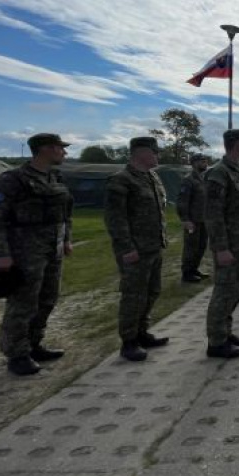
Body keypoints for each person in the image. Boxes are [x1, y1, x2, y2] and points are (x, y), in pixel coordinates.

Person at [0, 133, 73, 376]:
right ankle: (17, 354)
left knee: (48, 298)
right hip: (25, 251)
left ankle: (34, 344)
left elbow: (64, 213)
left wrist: (67, 239)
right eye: (60, 148)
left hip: (52, 248)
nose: (64, 152)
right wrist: (0, 253)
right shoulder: (12, 180)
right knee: (23, 302)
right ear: (45, 149)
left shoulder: (55, 177)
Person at [104, 137, 169, 362]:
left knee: (152, 291)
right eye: (154, 152)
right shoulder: (121, 180)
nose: (157, 156)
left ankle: (142, 332)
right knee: (133, 295)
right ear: (141, 153)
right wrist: (126, 247)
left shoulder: (152, 177)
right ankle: (129, 341)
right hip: (135, 249)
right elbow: (115, 218)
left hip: (153, 246)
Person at [203, 129, 239, 358]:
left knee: (235, 291)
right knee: (224, 292)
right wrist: (221, 248)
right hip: (230, 245)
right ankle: (216, 342)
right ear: (235, 143)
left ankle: (225, 332)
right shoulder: (219, 172)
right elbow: (213, 214)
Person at [177, 153, 210, 283]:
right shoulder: (188, 180)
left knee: (201, 246)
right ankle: (187, 273)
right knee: (191, 247)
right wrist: (185, 220)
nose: (205, 163)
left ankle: (194, 269)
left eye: (206, 161)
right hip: (193, 221)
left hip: (203, 220)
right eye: (202, 161)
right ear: (195, 163)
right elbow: (182, 201)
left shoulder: (203, 179)